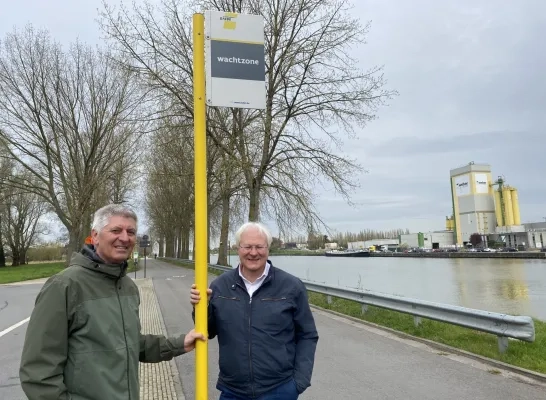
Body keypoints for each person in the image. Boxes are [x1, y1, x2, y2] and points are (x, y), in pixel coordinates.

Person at [20, 204, 206, 400]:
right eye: (116, 230)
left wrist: (179, 344)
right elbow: (38, 372)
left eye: (131, 232)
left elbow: (131, 343)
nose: (125, 238)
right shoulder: (64, 286)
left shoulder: (128, 287)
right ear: (95, 236)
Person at [190, 222, 319, 400]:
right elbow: (208, 332)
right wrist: (200, 308)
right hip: (233, 391)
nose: (253, 252)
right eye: (247, 247)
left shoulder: (291, 286)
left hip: (279, 389)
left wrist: (299, 382)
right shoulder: (220, 286)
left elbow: (307, 335)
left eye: (259, 246)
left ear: (268, 248)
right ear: (237, 248)